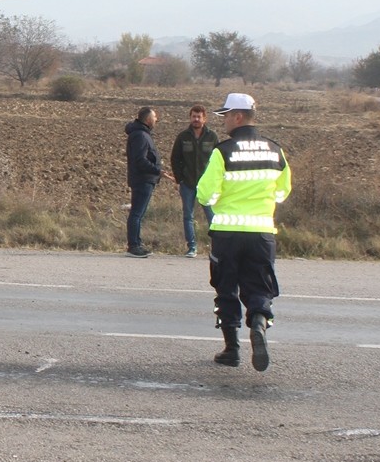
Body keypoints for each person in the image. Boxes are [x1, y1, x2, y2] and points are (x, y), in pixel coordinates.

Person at [197, 92, 292, 372]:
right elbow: (283, 192)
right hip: (262, 233)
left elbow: (205, 194)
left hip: (227, 233)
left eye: (226, 115)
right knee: (260, 286)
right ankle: (260, 325)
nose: (224, 121)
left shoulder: (222, 152)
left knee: (226, 288)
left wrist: (218, 200)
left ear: (238, 117)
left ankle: (232, 350)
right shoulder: (275, 151)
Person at [124, 107, 176, 257]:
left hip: (145, 179)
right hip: (142, 180)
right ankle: (134, 246)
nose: (156, 120)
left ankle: (136, 244)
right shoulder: (140, 135)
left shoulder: (142, 134)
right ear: (147, 119)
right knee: (136, 214)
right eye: (154, 117)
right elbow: (140, 160)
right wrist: (157, 171)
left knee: (138, 213)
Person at [170, 105, 219, 258]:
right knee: (188, 216)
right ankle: (191, 247)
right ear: (190, 118)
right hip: (188, 184)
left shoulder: (212, 137)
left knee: (212, 216)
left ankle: (217, 247)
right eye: (193, 116)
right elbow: (175, 158)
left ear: (204, 118)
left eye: (199, 117)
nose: (196, 119)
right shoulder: (183, 136)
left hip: (207, 184)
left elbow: (218, 160)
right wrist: (180, 179)